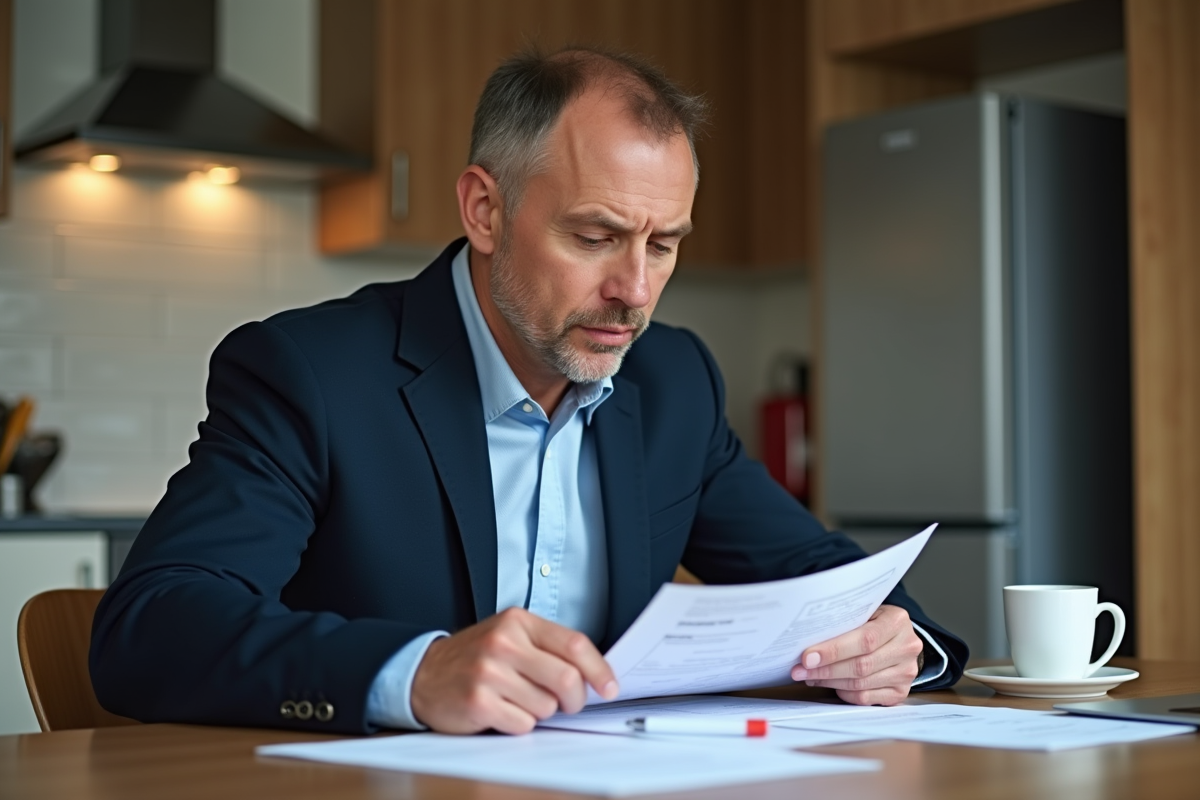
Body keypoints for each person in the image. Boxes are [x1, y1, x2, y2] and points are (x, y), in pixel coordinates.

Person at [90, 46, 968, 735]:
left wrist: (898, 642)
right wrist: (414, 672)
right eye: (595, 236)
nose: (635, 289)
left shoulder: (672, 382)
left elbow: (816, 576)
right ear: (484, 209)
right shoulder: (310, 374)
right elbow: (154, 628)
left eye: (663, 244)